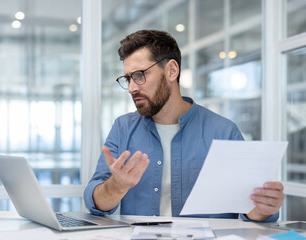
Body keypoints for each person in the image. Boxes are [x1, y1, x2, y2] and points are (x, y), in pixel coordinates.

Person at [84, 30, 284, 222]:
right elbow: (95, 203)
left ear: (172, 71)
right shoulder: (123, 128)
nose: (131, 88)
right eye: (128, 78)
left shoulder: (224, 131)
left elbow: (249, 208)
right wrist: (116, 187)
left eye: (139, 75)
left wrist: (263, 208)